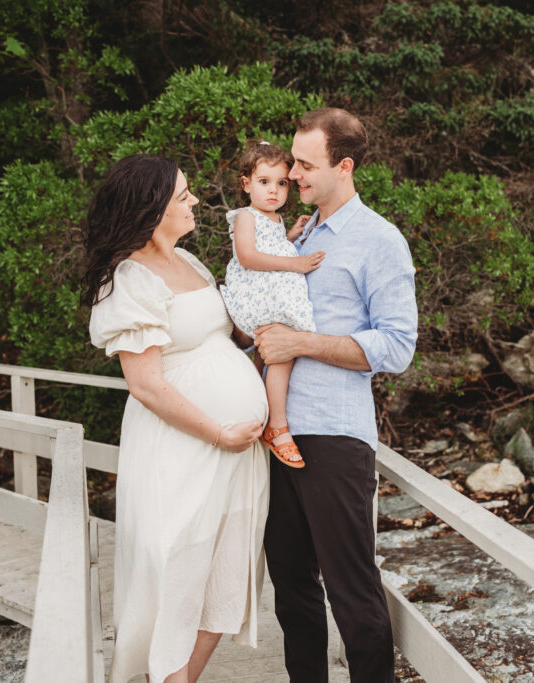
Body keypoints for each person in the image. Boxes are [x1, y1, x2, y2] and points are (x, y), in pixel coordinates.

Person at [84, 154, 269, 683]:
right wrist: (218, 431)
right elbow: (145, 383)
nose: (193, 202)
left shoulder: (193, 264)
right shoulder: (128, 278)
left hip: (239, 449)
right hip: (184, 446)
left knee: (226, 572)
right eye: (182, 195)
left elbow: (229, 335)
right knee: (178, 567)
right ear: (151, 206)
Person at [254, 108, 418, 682]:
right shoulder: (291, 234)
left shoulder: (380, 240)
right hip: (275, 436)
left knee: (352, 592)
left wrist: (303, 343)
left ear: (343, 166)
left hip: (334, 434)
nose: (293, 173)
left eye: (305, 164)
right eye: (293, 162)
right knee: (293, 593)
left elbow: (397, 347)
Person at [219, 139, 326, 469]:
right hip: (255, 295)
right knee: (283, 351)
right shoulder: (246, 217)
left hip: (271, 294)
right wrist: (295, 263)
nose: (274, 191)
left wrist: (290, 237)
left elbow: (273, 249)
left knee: (275, 356)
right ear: (246, 184)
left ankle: (258, 414)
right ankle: (277, 425)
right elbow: (248, 256)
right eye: (264, 182)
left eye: (281, 183)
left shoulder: (275, 221)